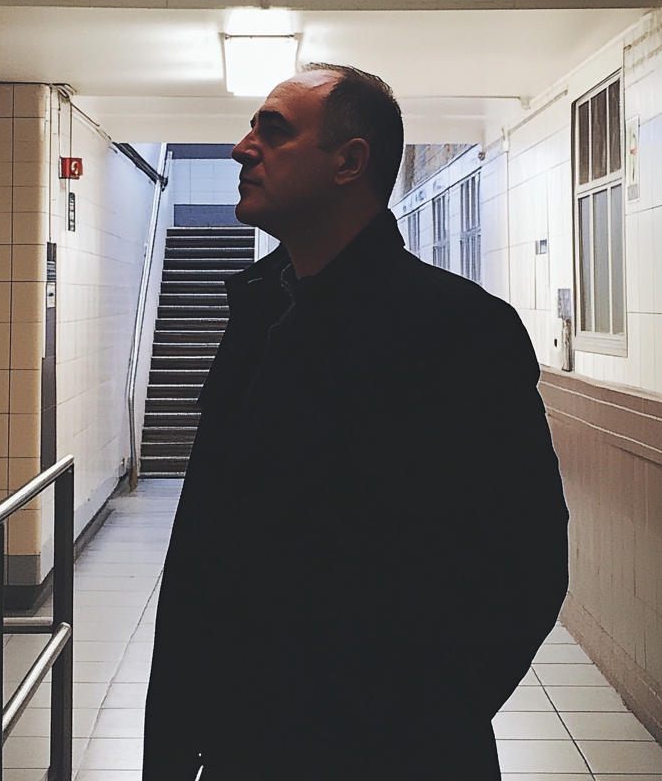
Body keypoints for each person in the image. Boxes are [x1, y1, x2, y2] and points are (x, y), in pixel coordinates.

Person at [143, 64, 569, 781]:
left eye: (272, 131)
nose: (243, 148)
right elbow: (206, 553)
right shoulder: (257, 312)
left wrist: (412, 730)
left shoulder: (456, 331)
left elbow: (525, 569)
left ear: (349, 161)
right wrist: (173, 744)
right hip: (240, 750)